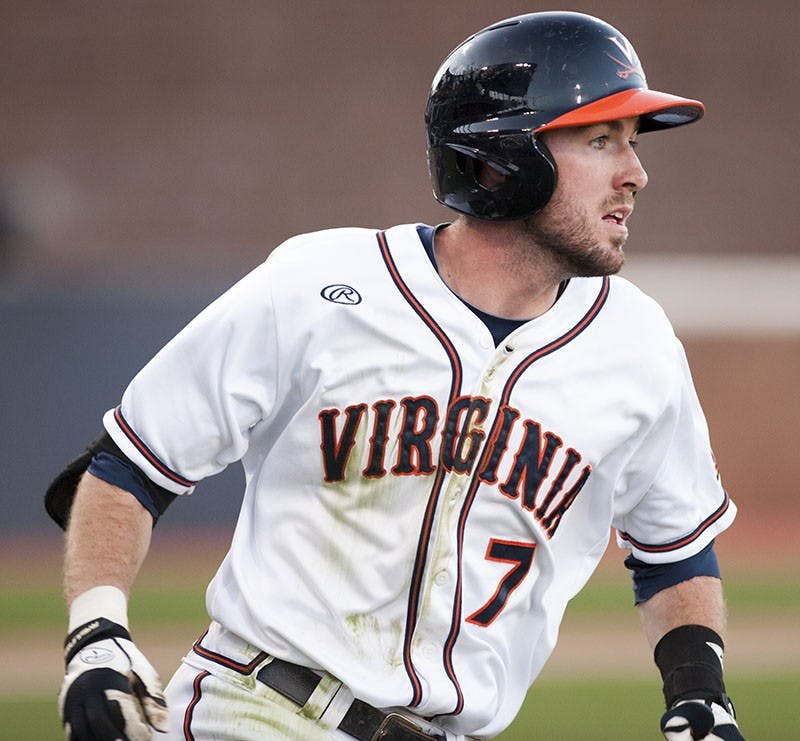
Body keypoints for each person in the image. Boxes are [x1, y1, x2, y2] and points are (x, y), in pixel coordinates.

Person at [46, 11, 744, 741]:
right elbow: (130, 464)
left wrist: (701, 693)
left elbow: (674, 550)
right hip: (258, 710)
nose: (635, 173)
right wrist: (97, 632)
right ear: (502, 156)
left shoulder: (638, 345)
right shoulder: (321, 284)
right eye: (602, 141)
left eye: (631, 144)